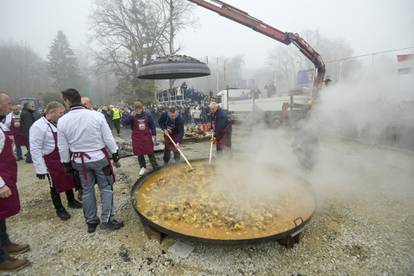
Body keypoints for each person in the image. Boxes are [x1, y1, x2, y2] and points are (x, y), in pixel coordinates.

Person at [57, 89, 123, 233]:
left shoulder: (62, 120)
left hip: (79, 161)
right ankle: (107, 220)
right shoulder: (97, 116)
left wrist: (66, 163)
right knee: (106, 188)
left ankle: (91, 221)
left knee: (86, 191)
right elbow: (108, 137)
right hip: (99, 158)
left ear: (67, 101)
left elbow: (62, 146)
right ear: (79, 99)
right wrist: (115, 153)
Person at [29, 101, 82, 220]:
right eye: (60, 112)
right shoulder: (38, 126)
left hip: (62, 158)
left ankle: (71, 201)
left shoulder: (57, 123)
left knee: (68, 179)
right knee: (55, 186)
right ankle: (59, 209)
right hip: (50, 161)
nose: (63, 115)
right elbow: (35, 148)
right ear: (51, 112)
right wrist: (40, 169)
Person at [0, 91, 31, 272]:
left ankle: (5, 242)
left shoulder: (3, 123)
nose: (11, 107)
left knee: (1, 213)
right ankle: (2, 259)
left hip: (6, 174)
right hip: (1, 178)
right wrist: (0, 184)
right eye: (8, 103)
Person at [122, 101, 159, 176]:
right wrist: (130, 116)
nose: (138, 110)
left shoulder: (147, 114)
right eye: (136, 109)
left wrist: (154, 134)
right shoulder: (132, 115)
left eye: (139, 109)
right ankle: (143, 167)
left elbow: (152, 125)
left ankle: (155, 167)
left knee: (150, 152)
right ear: (134, 109)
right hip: (137, 137)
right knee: (139, 153)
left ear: (142, 108)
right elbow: (123, 123)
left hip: (146, 136)